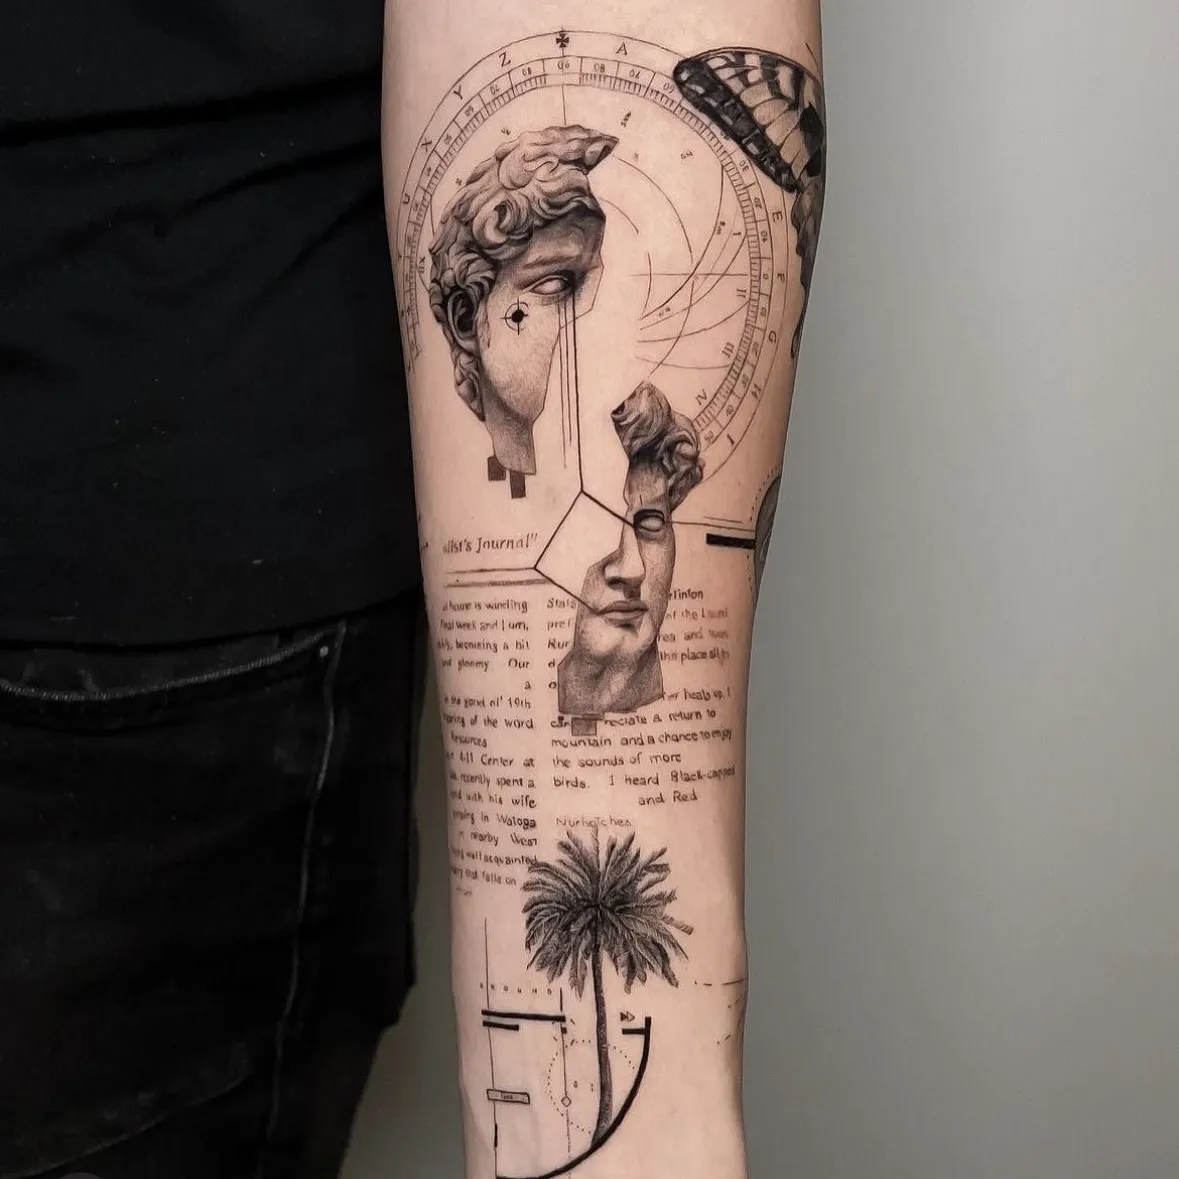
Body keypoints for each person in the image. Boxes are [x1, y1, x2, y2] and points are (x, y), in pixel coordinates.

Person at [0, 2, 824, 1178]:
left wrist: (609, 1130)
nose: (581, 326)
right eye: (553, 291)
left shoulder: (593, 484)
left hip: (118, 651)